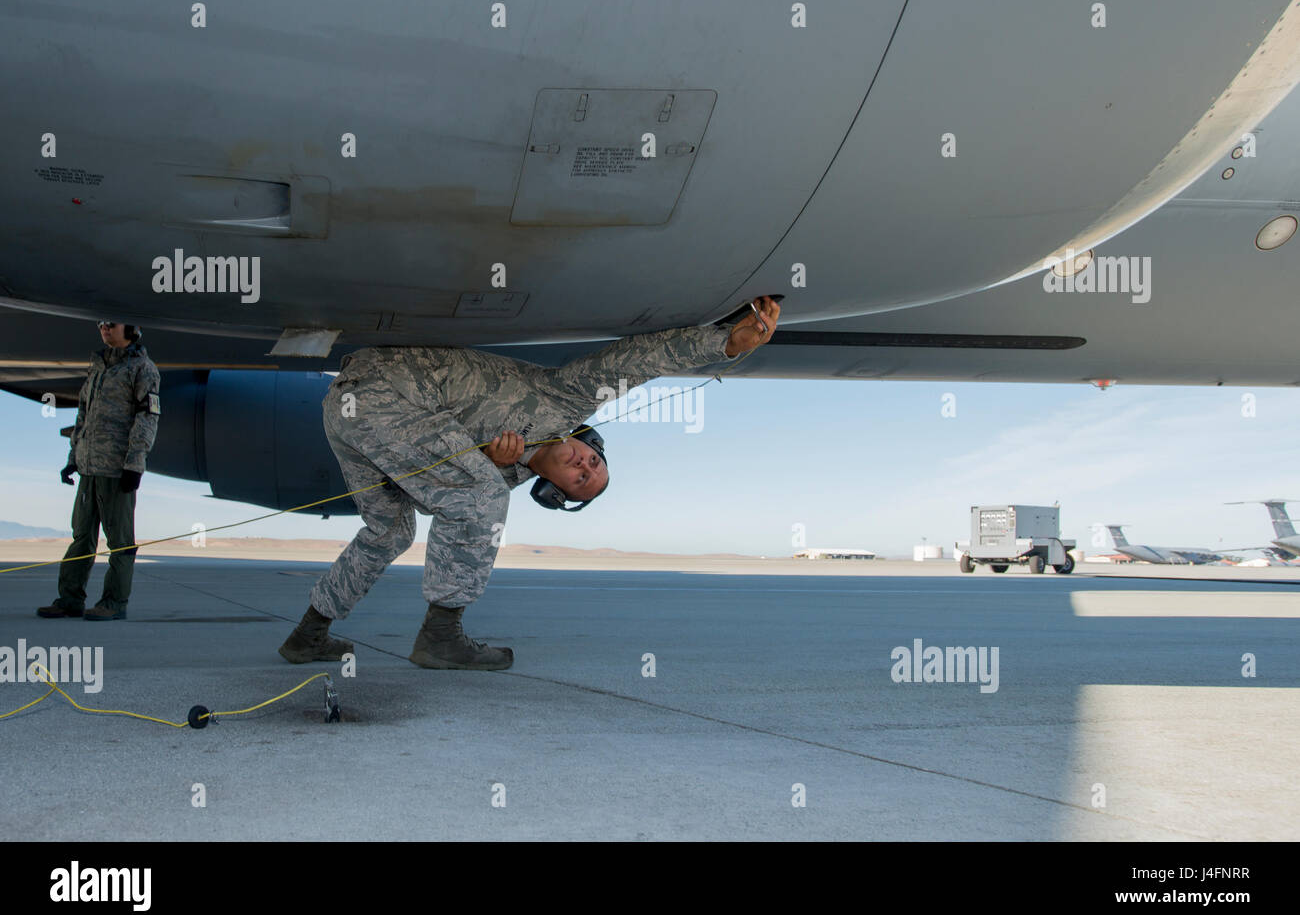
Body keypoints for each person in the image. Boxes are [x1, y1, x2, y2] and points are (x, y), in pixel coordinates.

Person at [279, 296, 781, 670]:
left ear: (555, 492)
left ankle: (309, 634)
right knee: (479, 497)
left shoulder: (501, 470)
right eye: (594, 459)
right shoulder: (565, 402)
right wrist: (723, 343)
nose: (584, 464)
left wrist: (485, 461)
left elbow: (431, 489)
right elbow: (630, 363)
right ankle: (441, 636)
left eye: (583, 479)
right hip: (386, 392)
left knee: (390, 532)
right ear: (586, 439)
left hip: (346, 411)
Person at [38, 321, 161, 621]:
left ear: (130, 329)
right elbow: (84, 416)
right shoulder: (97, 367)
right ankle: (69, 599)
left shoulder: (143, 369)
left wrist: (135, 464)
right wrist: (73, 458)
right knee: (81, 536)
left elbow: (147, 418)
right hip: (89, 467)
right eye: (101, 324)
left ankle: (114, 602)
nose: (105, 328)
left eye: (112, 324)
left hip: (117, 470)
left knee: (119, 541)